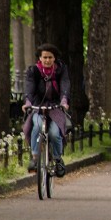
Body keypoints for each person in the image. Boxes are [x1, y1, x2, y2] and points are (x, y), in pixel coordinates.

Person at [22, 44, 71, 178]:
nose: (47, 60)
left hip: (55, 106)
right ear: (40, 58)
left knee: (55, 133)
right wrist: (28, 103)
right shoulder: (34, 71)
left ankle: (57, 159)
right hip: (38, 106)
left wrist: (64, 101)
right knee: (36, 127)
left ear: (54, 58)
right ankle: (35, 158)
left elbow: (65, 85)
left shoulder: (61, 70)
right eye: (45, 57)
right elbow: (29, 87)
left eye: (50, 57)